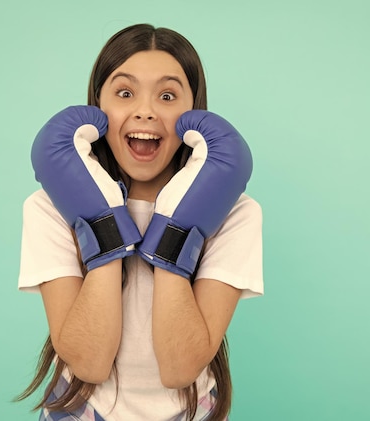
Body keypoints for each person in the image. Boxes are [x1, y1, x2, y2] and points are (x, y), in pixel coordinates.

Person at [16, 23, 263, 421]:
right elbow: (89, 364)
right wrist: (102, 223)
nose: (145, 110)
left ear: (194, 114)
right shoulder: (48, 207)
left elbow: (180, 368)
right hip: (79, 409)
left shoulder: (236, 212)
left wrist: (179, 226)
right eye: (125, 92)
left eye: (167, 95)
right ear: (96, 107)